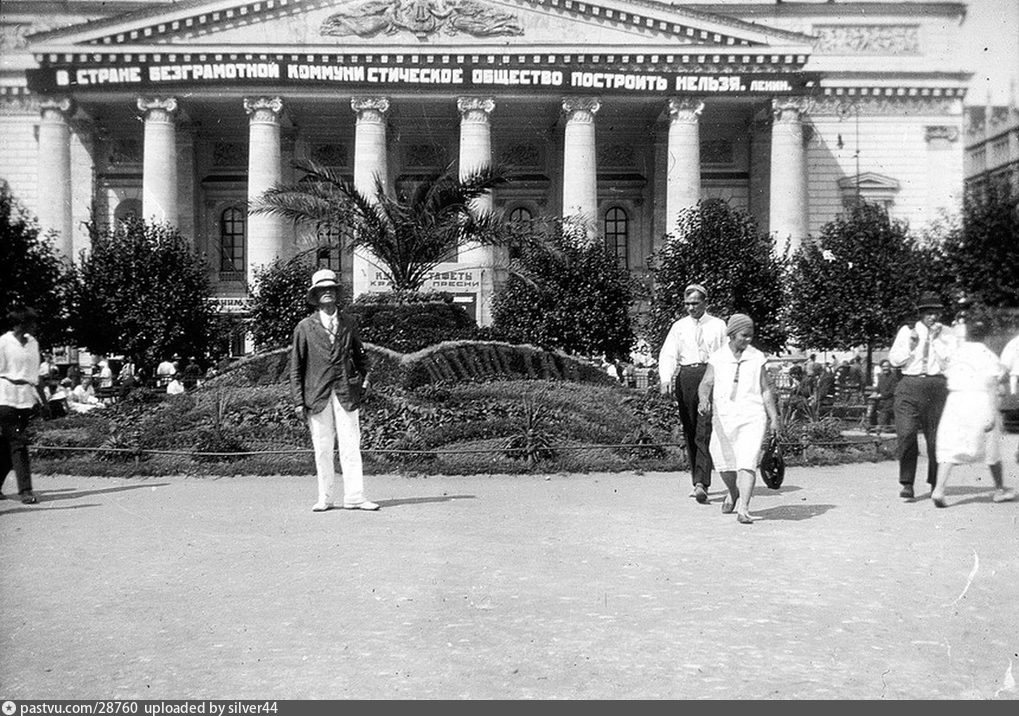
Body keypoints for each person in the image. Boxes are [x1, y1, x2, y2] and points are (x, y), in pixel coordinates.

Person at [290, 268, 379, 513]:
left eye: (331, 289)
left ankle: (355, 497)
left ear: (336, 294)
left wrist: (366, 377)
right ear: (315, 296)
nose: (327, 293)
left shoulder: (349, 322)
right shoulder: (305, 327)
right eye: (322, 290)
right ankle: (325, 497)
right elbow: (296, 367)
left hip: (346, 392)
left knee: (351, 445)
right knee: (322, 448)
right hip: (317, 395)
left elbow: (361, 355)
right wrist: (299, 401)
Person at [696, 314, 782, 524]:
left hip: (752, 417)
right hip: (724, 418)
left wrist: (774, 417)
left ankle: (744, 508)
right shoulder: (718, 357)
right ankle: (733, 491)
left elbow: (765, 389)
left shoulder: (756, 357)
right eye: (744, 335)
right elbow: (706, 383)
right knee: (724, 464)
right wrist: (703, 400)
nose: (748, 340)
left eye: (751, 336)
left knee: (747, 461)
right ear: (732, 334)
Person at [930, 319, 1016, 508]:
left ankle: (939, 489)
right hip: (980, 400)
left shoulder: (957, 352)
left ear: (967, 334)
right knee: (991, 446)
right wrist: (993, 414)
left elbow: (944, 366)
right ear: (985, 336)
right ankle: (1000, 489)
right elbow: (993, 385)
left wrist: (936, 340)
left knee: (950, 445)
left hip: (956, 400)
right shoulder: (988, 355)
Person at [657, 283, 727, 503]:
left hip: (709, 375)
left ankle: (701, 483)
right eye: (687, 304)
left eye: (695, 303)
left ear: (705, 303)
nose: (691, 308)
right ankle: (695, 478)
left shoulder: (718, 325)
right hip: (686, 376)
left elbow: (725, 354)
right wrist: (666, 378)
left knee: (703, 429)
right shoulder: (679, 326)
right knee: (689, 428)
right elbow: (668, 354)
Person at [888, 291, 956, 499]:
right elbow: (894, 360)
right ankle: (907, 482)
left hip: (936, 386)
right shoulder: (908, 331)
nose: (932, 317)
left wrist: (936, 342)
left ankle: (936, 481)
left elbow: (952, 362)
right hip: (909, 384)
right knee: (907, 434)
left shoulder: (947, 333)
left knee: (936, 438)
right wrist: (911, 346)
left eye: (936, 312)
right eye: (928, 313)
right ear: (920, 313)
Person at [0, 305, 42, 504]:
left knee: (7, 446)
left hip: (25, 398)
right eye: (31, 322)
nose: (35, 326)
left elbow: (36, 373)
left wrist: (42, 399)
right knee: (19, 442)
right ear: (20, 324)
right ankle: (25, 490)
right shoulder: (3, 342)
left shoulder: (33, 343)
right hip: (5, 396)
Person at [867, 359, 899, 432]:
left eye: (887, 366)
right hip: (881, 398)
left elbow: (892, 391)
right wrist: (875, 393)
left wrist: (881, 396)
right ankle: (872, 424)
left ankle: (880, 426)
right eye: (883, 366)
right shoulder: (881, 377)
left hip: (891, 399)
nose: (885, 368)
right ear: (881, 367)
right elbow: (878, 388)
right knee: (871, 404)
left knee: (885, 406)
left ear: (890, 367)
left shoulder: (894, 377)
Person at [1001, 332, 1019, 396]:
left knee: (1014, 372)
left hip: (1014, 354)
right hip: (1014, 355)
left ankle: (1013, 392)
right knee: (1015, 372)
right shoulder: (1015, 342)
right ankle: (1013, 392)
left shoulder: (1014, 341)